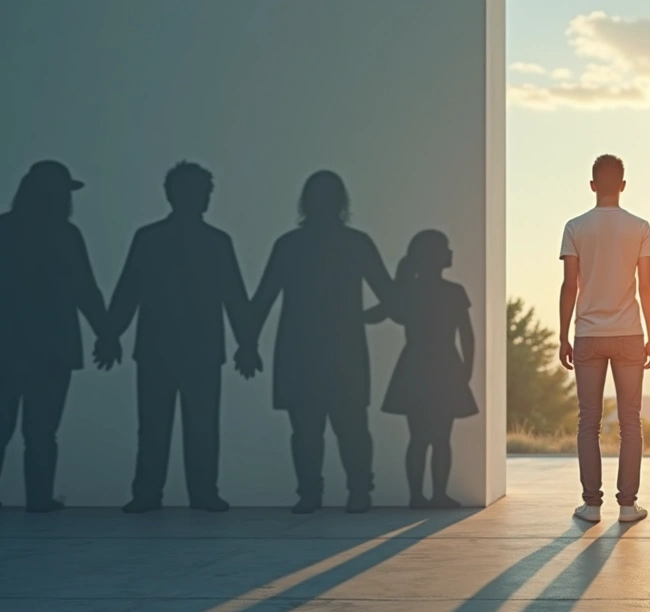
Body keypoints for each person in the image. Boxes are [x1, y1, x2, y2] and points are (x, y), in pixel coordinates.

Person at [244, 170, 396, 514]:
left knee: (311, 430)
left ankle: (314, 494)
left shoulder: (290, 245)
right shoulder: (355, 244)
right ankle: (356, 492)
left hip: (301, 351)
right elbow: (389, 299)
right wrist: (361, 318)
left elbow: (263, 300)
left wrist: (248, 344)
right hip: (342, 351)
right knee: (349, 428)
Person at [105, 161, 252, 514]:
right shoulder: (202, 241)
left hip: (176, 348)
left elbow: (233, 296)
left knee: (171, 425)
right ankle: (184, 493)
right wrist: (246, 344)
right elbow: (129, 291)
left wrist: (247, 343)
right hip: (180, 349)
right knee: (178, 425)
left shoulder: (158, 239)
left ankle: (168, 493)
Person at [0, 160, 113, 513]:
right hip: (52, 349)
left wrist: (106, 333)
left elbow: (85, 289)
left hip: (9, 347)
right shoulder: (65, 235)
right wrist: (105, 334)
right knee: (42, 432)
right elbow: (86, 290)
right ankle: (38, 499)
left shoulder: (5, 230)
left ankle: (38, 498)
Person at [559, 154, 650, 524]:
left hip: (588, 334)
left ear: (592, 185)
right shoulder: (640, 227)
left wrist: (563, 335)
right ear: (623, 186)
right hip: (630, 333)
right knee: (631, 421)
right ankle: (628, 506)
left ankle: (591, 506)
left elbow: (570, 286)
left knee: (589, 422)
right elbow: (646, 286)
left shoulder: (575, 227)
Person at [365, 230, 477, 508]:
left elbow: (380, 313)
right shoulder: (451, 292)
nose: (450, 252)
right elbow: (466, 335)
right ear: (433, 256)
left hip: (416, 367)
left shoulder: (411, 292)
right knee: (439, 438)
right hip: (443, 367)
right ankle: (432, 494)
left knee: (421, 438)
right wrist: (466, 368)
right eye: (445, 248)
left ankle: (421, 495)